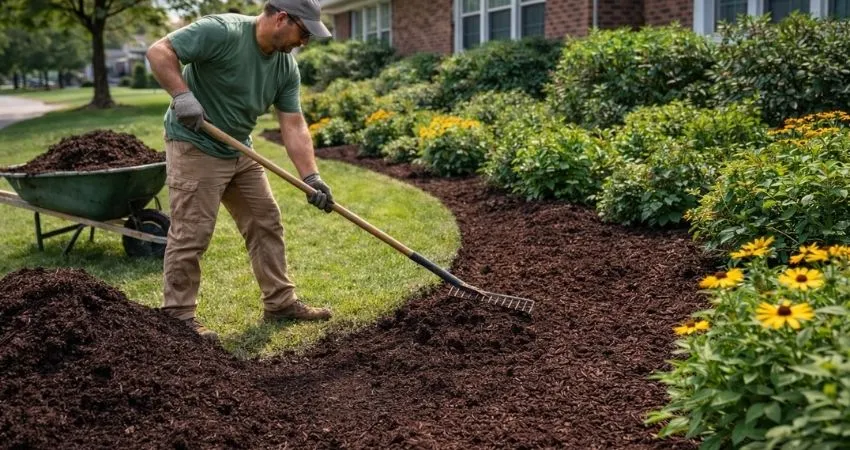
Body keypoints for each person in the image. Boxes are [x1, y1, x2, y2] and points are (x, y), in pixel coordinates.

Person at [145, 0, 334, 343]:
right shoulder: (222, 31)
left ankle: (280, 303)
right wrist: (182, 95)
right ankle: (178, 317)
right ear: (282, 18)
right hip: (195, 145)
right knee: (192, 233)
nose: (304, 42)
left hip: (238, 149)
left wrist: (311, 177)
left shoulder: (285, 68)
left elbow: (293, 125)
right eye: (304, 33)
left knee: (265, 221)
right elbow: (159, 51)